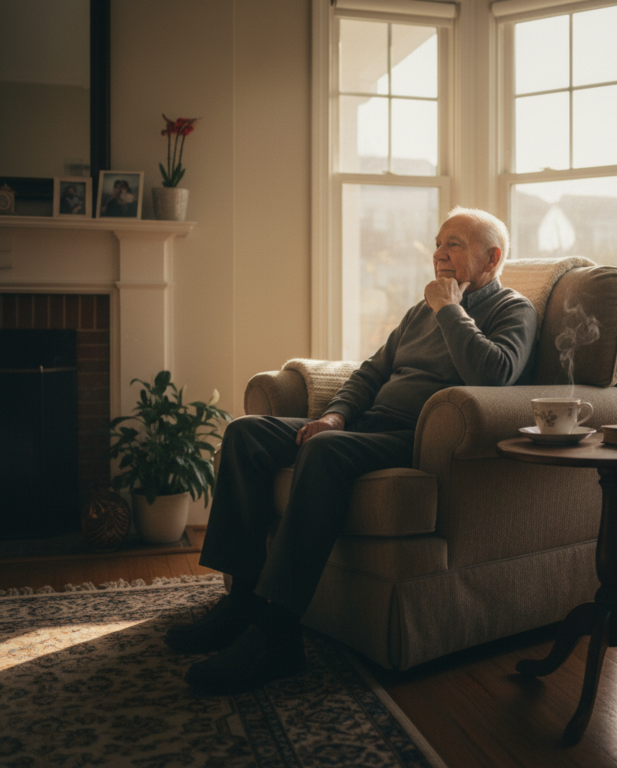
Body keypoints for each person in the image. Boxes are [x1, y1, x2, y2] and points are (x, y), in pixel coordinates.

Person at [164, 206, 537, 695]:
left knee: (325, 453)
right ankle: (242, 603)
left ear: (492, 257)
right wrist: (335, 415)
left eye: (454, 244)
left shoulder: (513, 310)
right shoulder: (417, 312)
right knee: (245, 433)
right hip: (364, 425)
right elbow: (371, 372)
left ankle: (278, 635)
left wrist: (450, 308)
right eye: (438, 242)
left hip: (416, 438)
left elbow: (495, 374)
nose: (438, 253)